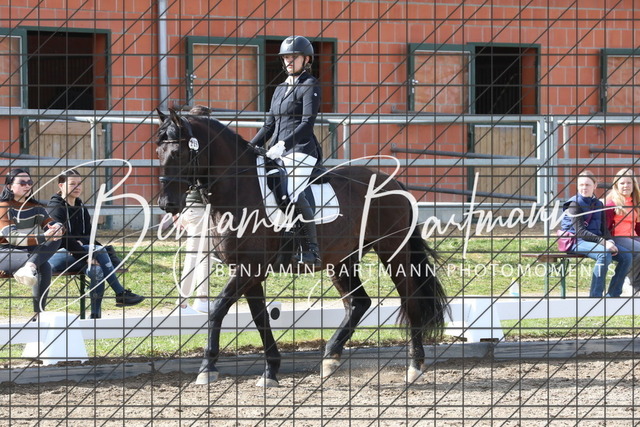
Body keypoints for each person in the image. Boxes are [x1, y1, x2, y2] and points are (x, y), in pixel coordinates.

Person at [249, 35, 323, 268]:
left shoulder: (309, 85)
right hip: (277, 151)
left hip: (301, 150)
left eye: (294, 57)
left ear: (306, 59)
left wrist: (283, 144)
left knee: (292, 192)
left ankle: (311, 250)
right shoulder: (280, 89)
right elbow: (269, 126)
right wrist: (248, 148)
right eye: (286, 58)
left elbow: (307, 124)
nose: (289, 61)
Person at [47, 170, 144, 318]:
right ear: (61, 185)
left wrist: (82, 244)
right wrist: (85, 254)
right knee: (98, 250)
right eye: (72, 184)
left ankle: (95, 316)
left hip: (79, 254)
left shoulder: (81, 207)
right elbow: (64, 239)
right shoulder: (55, 208)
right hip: (56, 256)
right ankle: (120, 293)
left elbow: (89, 235)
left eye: (79, 183)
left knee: (97, 270)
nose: (77, 187)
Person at [0, 169, 64, 317]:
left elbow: (50, 224)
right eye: (22, 183)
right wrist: (43, 237)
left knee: (56, 238)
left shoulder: (36, 207)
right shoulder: (4, 207)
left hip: (29, 251)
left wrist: (58, 227)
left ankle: (29, 267)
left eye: (29, 182)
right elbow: (13, 238)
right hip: (5, 252)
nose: (27, 185)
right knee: (44, 265)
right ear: (9, 186)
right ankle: (38, 314)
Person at [172, 105, 217, 314]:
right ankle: (184, 302)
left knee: (204, 254)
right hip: (198, 207)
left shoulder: (192, 147)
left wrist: (178, 211)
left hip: (195, 207)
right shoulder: (202, 149)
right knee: (196, 254)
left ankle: (201, 299)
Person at [559, 170, 632, 297]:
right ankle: (595, 296)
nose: (584, 188)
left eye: (587, 185)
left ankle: (613, 294)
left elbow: (604, 229)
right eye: (581, 185)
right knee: (603, 254)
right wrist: (604, 243)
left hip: (593, 241)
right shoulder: (574, 204)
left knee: (627, 256)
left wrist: (610, 241)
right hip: (575, 241)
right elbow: (581, 232)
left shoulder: (598, 204)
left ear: (595, 186)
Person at [605, 168, 640, 293]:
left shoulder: (635, 202)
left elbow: (638, 226)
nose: (626, 186)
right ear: (616, 185)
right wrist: (607, 242)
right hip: (617, 237)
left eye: (629, 183)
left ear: (634, 185)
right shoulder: (611, 204)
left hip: (632, 236)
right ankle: (631, 283)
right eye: (622, 183)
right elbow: (604, 227)